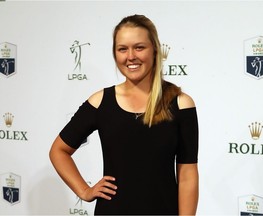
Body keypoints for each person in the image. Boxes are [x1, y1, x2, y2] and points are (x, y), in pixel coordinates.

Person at [49, 14, 199, 215]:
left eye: (139, 47)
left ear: (155, 50)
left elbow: (188, 174)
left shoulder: (180, 104)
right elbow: (58, 151)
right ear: (115, 54)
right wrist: (84, 190)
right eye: (122, 49)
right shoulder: (101, 101)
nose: (130, 57)